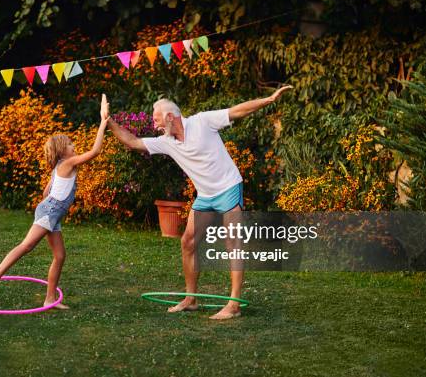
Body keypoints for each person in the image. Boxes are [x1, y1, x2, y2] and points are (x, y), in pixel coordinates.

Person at [105, 86, 293, 320]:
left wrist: (269, 99)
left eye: (157, 120)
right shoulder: (167, 141)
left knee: (232, 242)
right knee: (188, 242)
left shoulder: (202, 122)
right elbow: (133, 142)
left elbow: (236, 111)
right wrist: (109, 121)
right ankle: (191, 299)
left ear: (170, 116)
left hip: (228, 187)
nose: (155, 126)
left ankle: (233, 304)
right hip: (205, 194)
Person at [0, 94, 111, 309]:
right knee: (27, 245)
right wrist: (103, 123)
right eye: (70, 144)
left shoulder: (58, 168)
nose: (74, 146)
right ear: (62, 150)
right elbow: (96, 151)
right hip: (51, 212)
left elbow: (46, 192)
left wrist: (51, 206)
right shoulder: (68, 162)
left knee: (60, 256)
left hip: (52, 212)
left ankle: (50, 299)